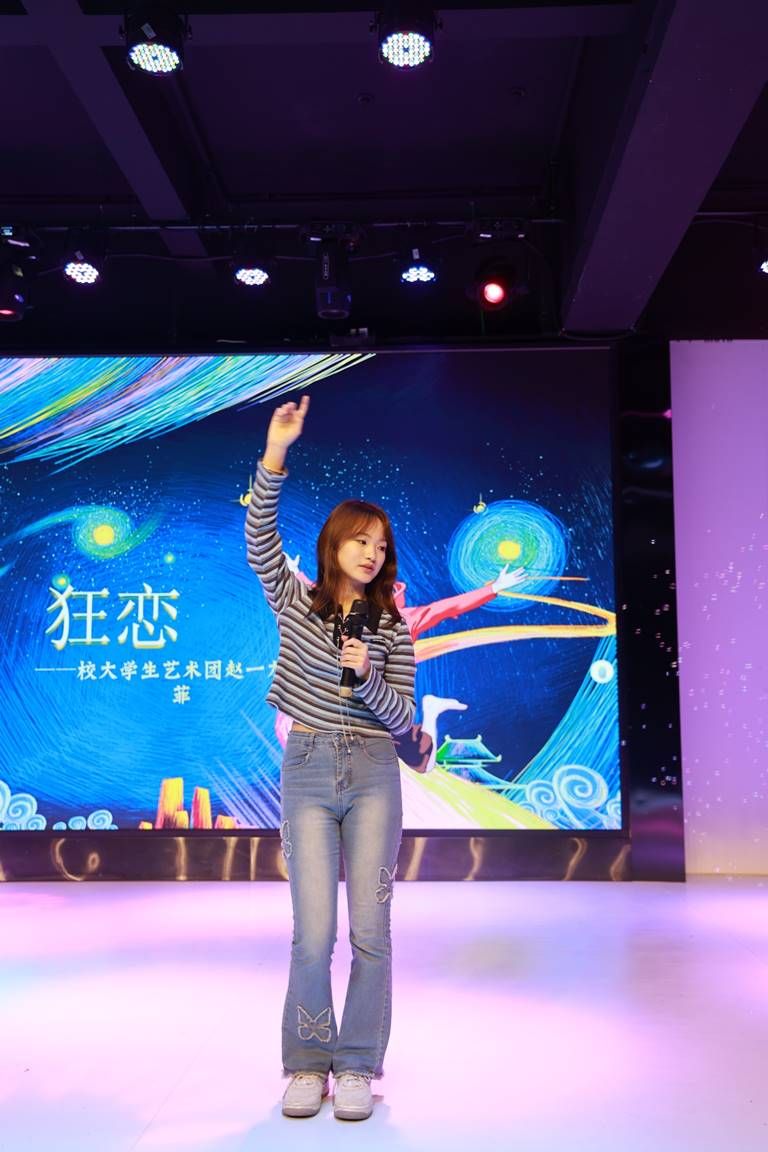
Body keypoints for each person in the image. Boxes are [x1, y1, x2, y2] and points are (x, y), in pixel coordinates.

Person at [245, 394, 416, 1122]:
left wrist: (368, 673)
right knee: (311, 932)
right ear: (335, 544)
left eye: (381, 544)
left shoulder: (393, 628)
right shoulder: (297, 602)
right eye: (360, 540)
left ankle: (357, 1065)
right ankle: (307, 1062)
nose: (371, 552)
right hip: (309, 769)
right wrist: (277, 450)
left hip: (374, 772)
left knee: (370, 932)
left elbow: (404, 721)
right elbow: (259, 538)